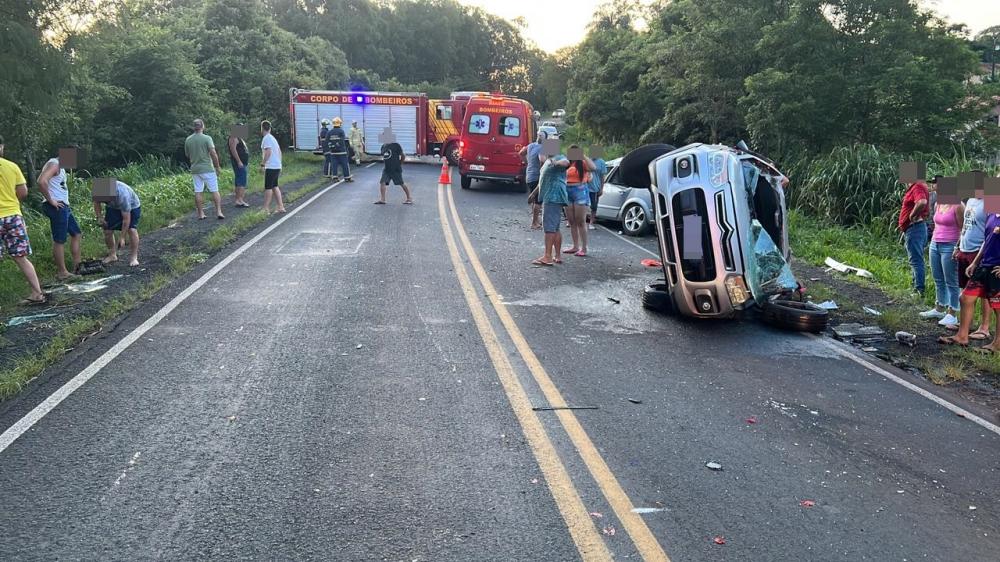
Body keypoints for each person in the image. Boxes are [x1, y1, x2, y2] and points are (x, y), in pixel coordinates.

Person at [938, 208, 1000, 352]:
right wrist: (975, 262)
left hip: (997, 268)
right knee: (965, 298)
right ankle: (962, 336)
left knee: (998, 308)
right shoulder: (991, 215)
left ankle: (997, 344)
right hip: (984, 264)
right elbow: (987, 240)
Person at [0, 135, 46, 304]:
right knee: (21, 257)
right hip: (13, 216)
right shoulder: (12, 166)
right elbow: (23, 192)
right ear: (2, 147)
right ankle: (37, 293)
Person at [953, 182, 992, 340]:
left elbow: (991, 228)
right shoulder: (970, 201)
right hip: (966, 248)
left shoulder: (991, 201)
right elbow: (965, 226)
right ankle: (967, 324)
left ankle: (985, 326)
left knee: (983, 291)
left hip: (979, 250)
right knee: (967, 291)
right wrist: (958, 245)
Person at [36, 155, 82, 279]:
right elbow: (41, 181)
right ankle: (62, 272)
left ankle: (78, 266)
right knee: (59, 239)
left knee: (76, 233)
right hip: (57, 207)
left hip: (63, 206)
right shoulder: (54, 164)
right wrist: (51, 200)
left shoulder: (60, 167)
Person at [921, 199, 964, 327]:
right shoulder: (938, 204)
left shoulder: (958, 206)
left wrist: (958, 247)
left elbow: (963, 228)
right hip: (935, 243)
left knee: (951, 280)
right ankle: (939, 307)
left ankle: (952, 313)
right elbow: (936, 224)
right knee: (938, 278)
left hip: (950, 245)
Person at [532, 152, 570, 266]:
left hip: (553, 197)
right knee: (555, 227)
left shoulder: (558, 157)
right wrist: (534, 194)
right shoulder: (547, 161)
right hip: (552, 197)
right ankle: (557, 255)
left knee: (549, 228)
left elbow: (566, 162)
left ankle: (547, 256)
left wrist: (556, 162)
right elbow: (542, 180)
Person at [184, 119, 224, 220]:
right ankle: (219, 211)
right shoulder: (207, 138)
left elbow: (187, 155)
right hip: (207, 168)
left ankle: (201, 214)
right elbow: (213, 153)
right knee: (214, 190)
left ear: (194, 127)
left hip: (195, 169)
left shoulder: (188, 139)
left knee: (198, 191)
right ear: (203, 126)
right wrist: (217, 166)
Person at [93, 180, 141, 267]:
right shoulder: (99, 188)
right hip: (113, 208)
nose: (105, 203)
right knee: (107, 230)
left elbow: (126, 220)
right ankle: (112, 255)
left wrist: (122, 237)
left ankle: (134, 258)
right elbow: (96, 203)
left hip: (132, 206)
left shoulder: (123, 196)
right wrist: (99, 217)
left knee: (131, 229)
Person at [898, 177, 930, 296]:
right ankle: (915, 287)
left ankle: (919, 290)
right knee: (915, 259)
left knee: (916, 260)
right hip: (913, 228)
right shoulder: (915, 187)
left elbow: (922, 202)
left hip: (915, 228)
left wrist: (912, 215)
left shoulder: (917, 186)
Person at [562, 145, 596, 257]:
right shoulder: (567, 163)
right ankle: (575, 246)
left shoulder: (582, 164)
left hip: (580, 190)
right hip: (568, 191)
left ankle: (584, 248)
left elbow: (593, 167)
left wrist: (582, 155)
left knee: (580, 221)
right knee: (571, 221)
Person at [520, 131, 546, 230]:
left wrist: (527, 162)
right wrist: (543, 170)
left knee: (534, 198)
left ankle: (536, 219)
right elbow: (542, 159)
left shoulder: (530, 146)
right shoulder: (542, 148)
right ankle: (534, 223)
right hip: (536, 176)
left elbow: (521, 153)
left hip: (529, 175)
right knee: (538, 200)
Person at [374, 138, 413, 204]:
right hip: (387, 169)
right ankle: (382, 199)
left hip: (395, 169)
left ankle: (409, 198)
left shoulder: (396, 145)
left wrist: (400, 163)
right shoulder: (383, 146)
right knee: (382, 182)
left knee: (401, 183)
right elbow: (385, 157)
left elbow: (403, 156)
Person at [260, 120, 286, 214]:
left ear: (262, 128)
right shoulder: (273, 138)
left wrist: (263, 164)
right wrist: (280, 164)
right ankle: (280, 206)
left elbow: (268, 151)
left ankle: (265, 209)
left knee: (268, 187)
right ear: (270, 128)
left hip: (271, 166)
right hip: (277, 165)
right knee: (275, 186)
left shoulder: (266, 138)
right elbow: (279, 152)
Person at [228, 125, 250, 207]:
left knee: (239, 180)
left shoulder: (238, 137)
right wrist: (239, 161)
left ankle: (238, 199)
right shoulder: (233, 137)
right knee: (242, 181)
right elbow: (233, 150)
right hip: (239, 163)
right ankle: (240, 200)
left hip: (242, 162)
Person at [587, 150, 607, 231]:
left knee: (594, 206)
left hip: (595, 188)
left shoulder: (601, 162)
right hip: (585, 186)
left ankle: (591, 222)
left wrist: (601, 188)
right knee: (581, 205)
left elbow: (602, 177)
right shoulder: (587, 160)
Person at [329, 117, 352, 182]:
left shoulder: (330, 132)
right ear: (340, 123)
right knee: (345, 165)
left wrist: (332, 146)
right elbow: (342, 141)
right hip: (341, 152)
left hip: (333, 152)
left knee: (334, 165)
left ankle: (335, 178)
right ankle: (347, 177)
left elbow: (327, 141)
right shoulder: (341, 131)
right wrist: (337, 145)